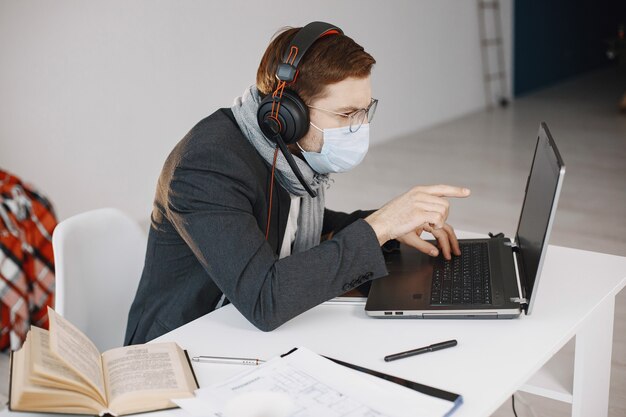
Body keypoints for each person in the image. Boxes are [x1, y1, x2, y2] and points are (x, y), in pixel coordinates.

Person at [124, 22, 470, 345]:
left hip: (241, 329)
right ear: (286, 115)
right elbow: (266, 299)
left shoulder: (283, 151)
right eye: (347, 114)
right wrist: (378, 227)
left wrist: (393, 224)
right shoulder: (205, 167)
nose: (360, 127)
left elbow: (293, 225)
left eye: (366, 110)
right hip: (183, 347)